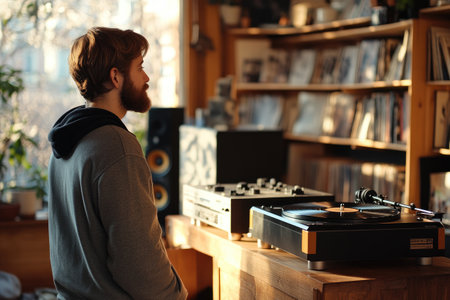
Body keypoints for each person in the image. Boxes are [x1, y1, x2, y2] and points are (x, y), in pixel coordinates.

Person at [47, 27, 187, 300]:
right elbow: (138, 261)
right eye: (140, 68)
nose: (146, 78)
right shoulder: (117, 145)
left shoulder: (66, 140)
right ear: (115, 76)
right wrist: (176, 295)